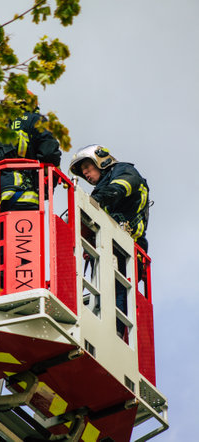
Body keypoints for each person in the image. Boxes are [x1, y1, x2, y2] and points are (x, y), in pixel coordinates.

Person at [69, 144, 150, 337]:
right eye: (83, 172)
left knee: (119, 293)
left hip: (128, 248)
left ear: (101, 160)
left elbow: (119, 189)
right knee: (106, 293)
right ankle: (104, 331)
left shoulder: (124, 171)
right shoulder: (101, 189)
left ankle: (116, 334)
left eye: (88, 168)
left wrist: (90, 202)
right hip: (110, 248)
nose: (86, 174)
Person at [0, 93, 61, 217]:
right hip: (23, 199)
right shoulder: (34, 120)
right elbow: (50, 154)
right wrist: (47, 186)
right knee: (22, 236)